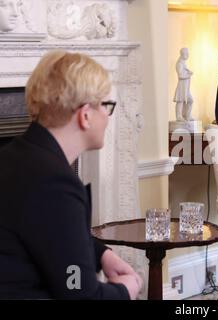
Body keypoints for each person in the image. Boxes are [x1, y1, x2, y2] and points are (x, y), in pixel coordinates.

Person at [0, 50, 143, 299]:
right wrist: (126, 290)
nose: (107, 118)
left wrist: (100, 253)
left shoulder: (13, 157)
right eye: (106, 106)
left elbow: (51, 234)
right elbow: (79, 293)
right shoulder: (55, 183)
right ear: (85, 115)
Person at [173, 47, 194, 121]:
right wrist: (189, 75)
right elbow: (180, 75)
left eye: (188, 53)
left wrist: (188, 72)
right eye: (186, 54)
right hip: (182, 86)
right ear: (182, 54)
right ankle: (179, 116)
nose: (188, 55)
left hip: (186, 87)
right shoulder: (179, 64)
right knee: (180, 100)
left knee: (190, 100)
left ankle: (187, 115)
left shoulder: (183, 63)